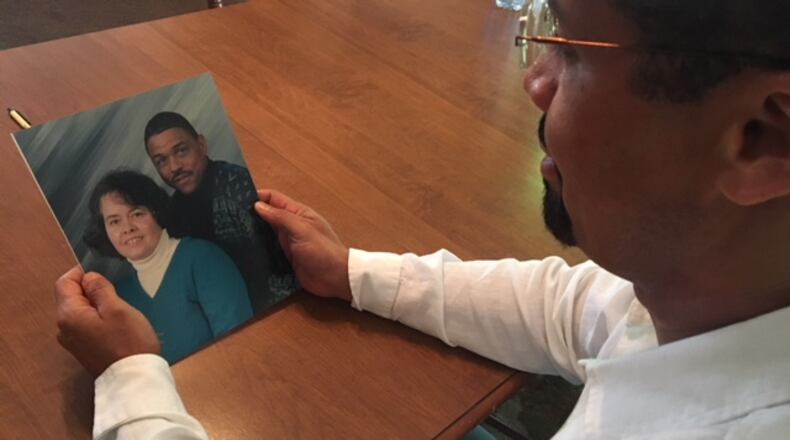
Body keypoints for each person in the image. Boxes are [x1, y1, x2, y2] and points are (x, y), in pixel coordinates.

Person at [55, 0, 790, 438]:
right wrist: (352, 273)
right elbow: (579, 306)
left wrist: (131, 381)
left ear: (763, 137)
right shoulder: (714, 289)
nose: (534, 81)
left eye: (570, 46)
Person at [82, 170, 253, 364]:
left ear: (156, 213)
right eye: (114, 221)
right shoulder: (119, 297)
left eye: (137, 214)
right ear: (104, 231)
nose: (127, 228)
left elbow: (242, 346)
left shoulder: (202, 258)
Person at [144, 111, 294, 312]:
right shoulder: (172, 217)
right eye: (162, 161)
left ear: (202, 145)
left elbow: (284, 274)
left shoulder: (239, 188)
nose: (174, 167)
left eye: (181, 151)